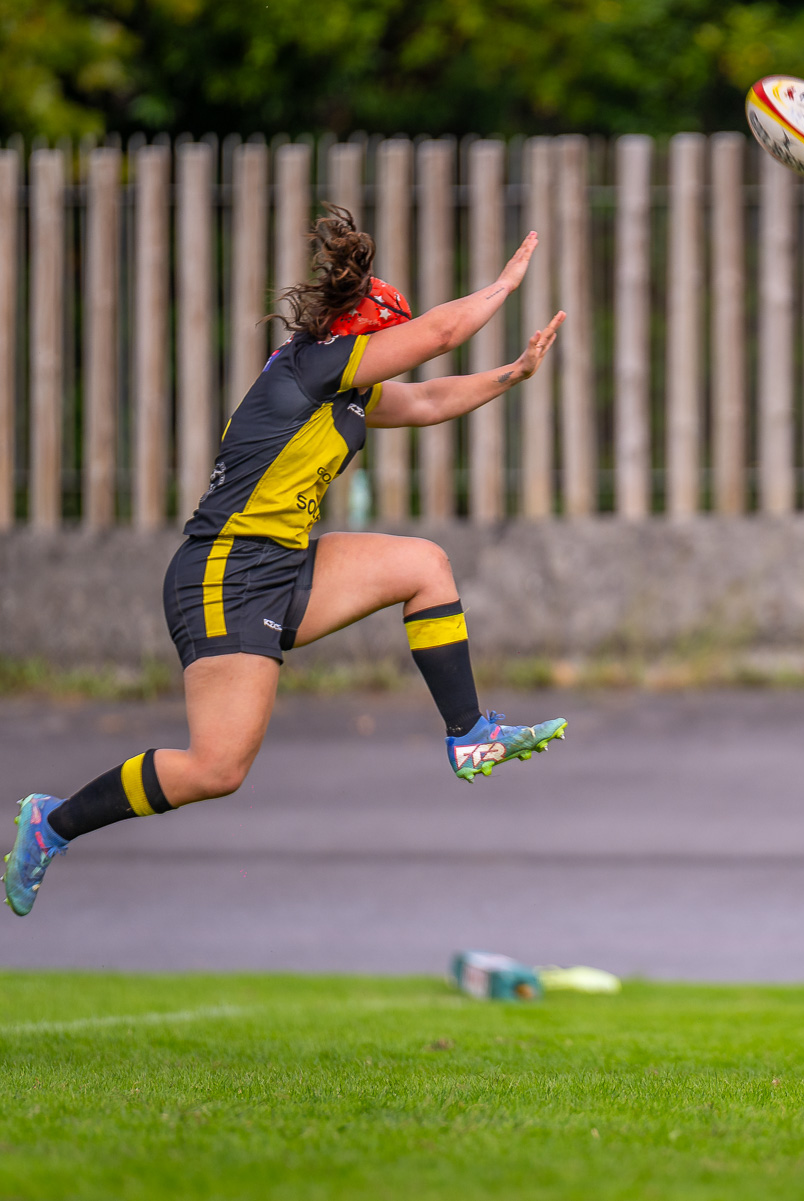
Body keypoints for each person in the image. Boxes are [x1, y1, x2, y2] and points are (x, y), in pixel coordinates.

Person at [7, 205, 571, 917]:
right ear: (365, 330)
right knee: (218, 767)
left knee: (424, 565)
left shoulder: (347, 390)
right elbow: (443, 334)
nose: (398, 341)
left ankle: (471, 734)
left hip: (279, 564)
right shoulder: (315, 365)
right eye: (390, 331)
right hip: (224, 572)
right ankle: (50, 824)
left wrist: (513, 375)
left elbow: (427, 398)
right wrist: (505, 284)